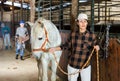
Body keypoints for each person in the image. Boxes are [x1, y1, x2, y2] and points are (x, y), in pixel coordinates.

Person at [49, 13, 100, 81]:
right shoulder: (73, 35)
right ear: (78, 23)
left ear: (87, 23)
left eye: (85, 21)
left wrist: (97, 47)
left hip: (85, 66)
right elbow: (65, 46)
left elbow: (97, 45)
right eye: (81, 21)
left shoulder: (92, 36)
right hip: (73, 65)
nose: (83, 23)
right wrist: (54, 49)